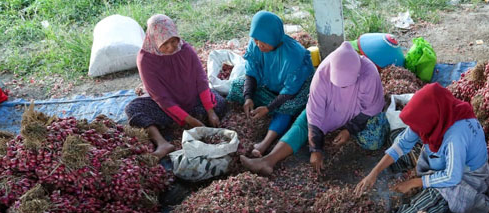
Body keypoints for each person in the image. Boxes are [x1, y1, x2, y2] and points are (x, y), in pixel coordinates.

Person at [352, 83, 489, 213]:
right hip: (445, 161)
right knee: (396, 137)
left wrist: (414, 183)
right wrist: (374, 172)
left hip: (466, 180)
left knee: (425, 205)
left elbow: (452, 177)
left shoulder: (455, 136)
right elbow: (403, 143)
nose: (416, 129)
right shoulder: (440, 114)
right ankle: (421, 188)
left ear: (432, 117)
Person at [240, 41, 386, 176]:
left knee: (373, 142)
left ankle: (354, 130)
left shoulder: (369, 73)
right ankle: (268, 160)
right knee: (304, 123)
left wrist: (349, 130)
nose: (341, 88)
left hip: (358, 112)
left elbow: (370, 107)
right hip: (331, 108)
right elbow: (315, 113)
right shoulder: (323, 73)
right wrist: (315, 149)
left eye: (345, 85)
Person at [125, 14, 228, 159]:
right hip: (166, 107)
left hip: (191, 99)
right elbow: (161, 98)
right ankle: (162, 143)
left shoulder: (186, 51)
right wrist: (190, 120)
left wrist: (210, 111)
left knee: (220, 103)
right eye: (165, 44)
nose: (171, 47)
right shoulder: (145, 59)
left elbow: (201, 80)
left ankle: (191, 120)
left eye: (174, 41)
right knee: (133, 109)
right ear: (154, 40)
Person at [226, 11, 315, 158]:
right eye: (255, 40)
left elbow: (289, 91)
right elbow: (251, 71)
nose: (259, 45)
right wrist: (248, 97)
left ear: (274, 37)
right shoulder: (256, 44)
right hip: (268, 82)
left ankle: (265, 143)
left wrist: (268, 108)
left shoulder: (294, 55)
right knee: (237, 86)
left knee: (286, 107)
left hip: (293, 90)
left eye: (264, 42)